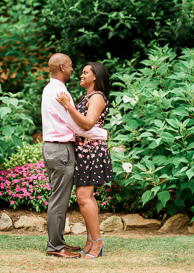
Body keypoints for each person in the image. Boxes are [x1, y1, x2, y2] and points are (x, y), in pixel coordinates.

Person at [56, 62, 113, 259]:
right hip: (82, 149)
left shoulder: (97, 97)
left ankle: (97, 242)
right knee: (84, 198)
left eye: (85, 72)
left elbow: (88, 124)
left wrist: (68, 107)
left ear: (95, 76)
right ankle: (91, 239)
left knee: (83, 197)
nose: (81, 75)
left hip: (91, 150)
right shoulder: (87, 96)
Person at [41, 53, 85, 258]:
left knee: (58, 197)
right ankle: (55, 247)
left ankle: (58, 242)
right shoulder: (59, 91)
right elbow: (74, 123)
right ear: (61, 67)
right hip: (60, 149)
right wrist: (99, 133)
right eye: (70, 66)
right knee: (59, 199)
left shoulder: (50, 89)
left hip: (53, 147)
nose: (72, 69)